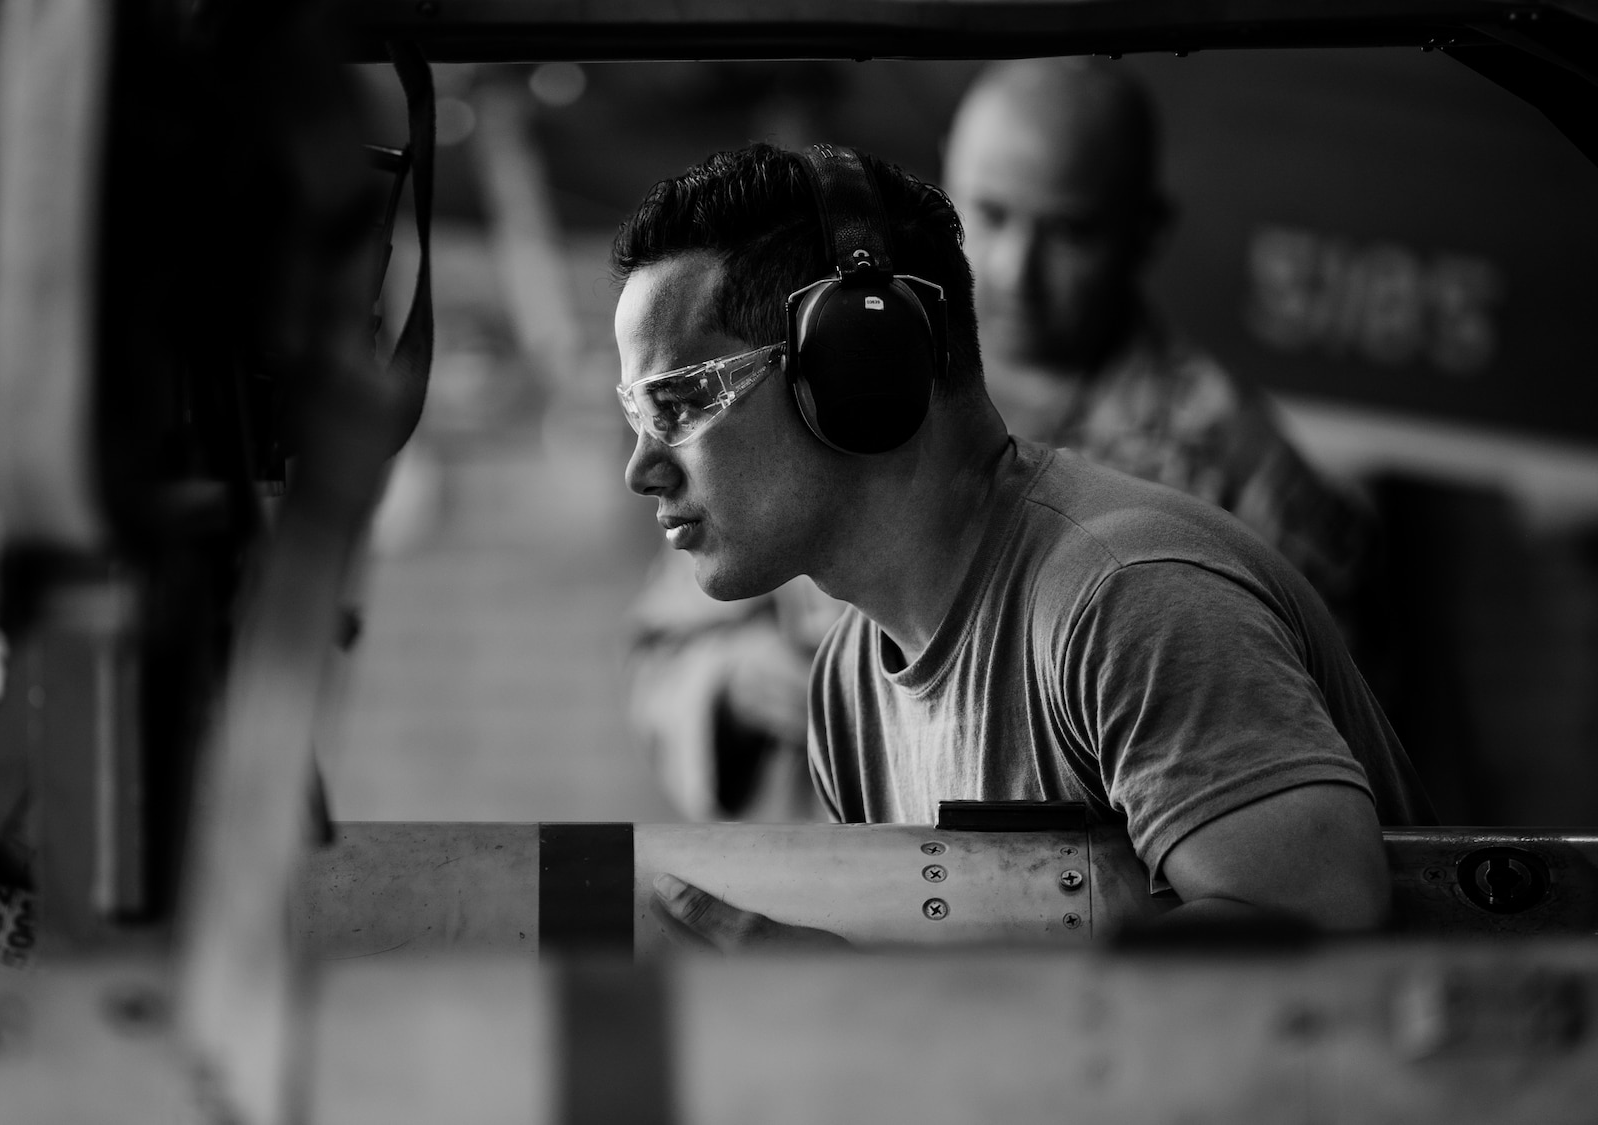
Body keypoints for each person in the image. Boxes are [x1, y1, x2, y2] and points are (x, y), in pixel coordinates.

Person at [612, 140, 1433, 942]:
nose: (641, 468)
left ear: (855, 367)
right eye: (637, 415)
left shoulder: (1127, 595)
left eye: (680, 404)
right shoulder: (849, 679)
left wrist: (871, 994)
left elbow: (1316, 927)